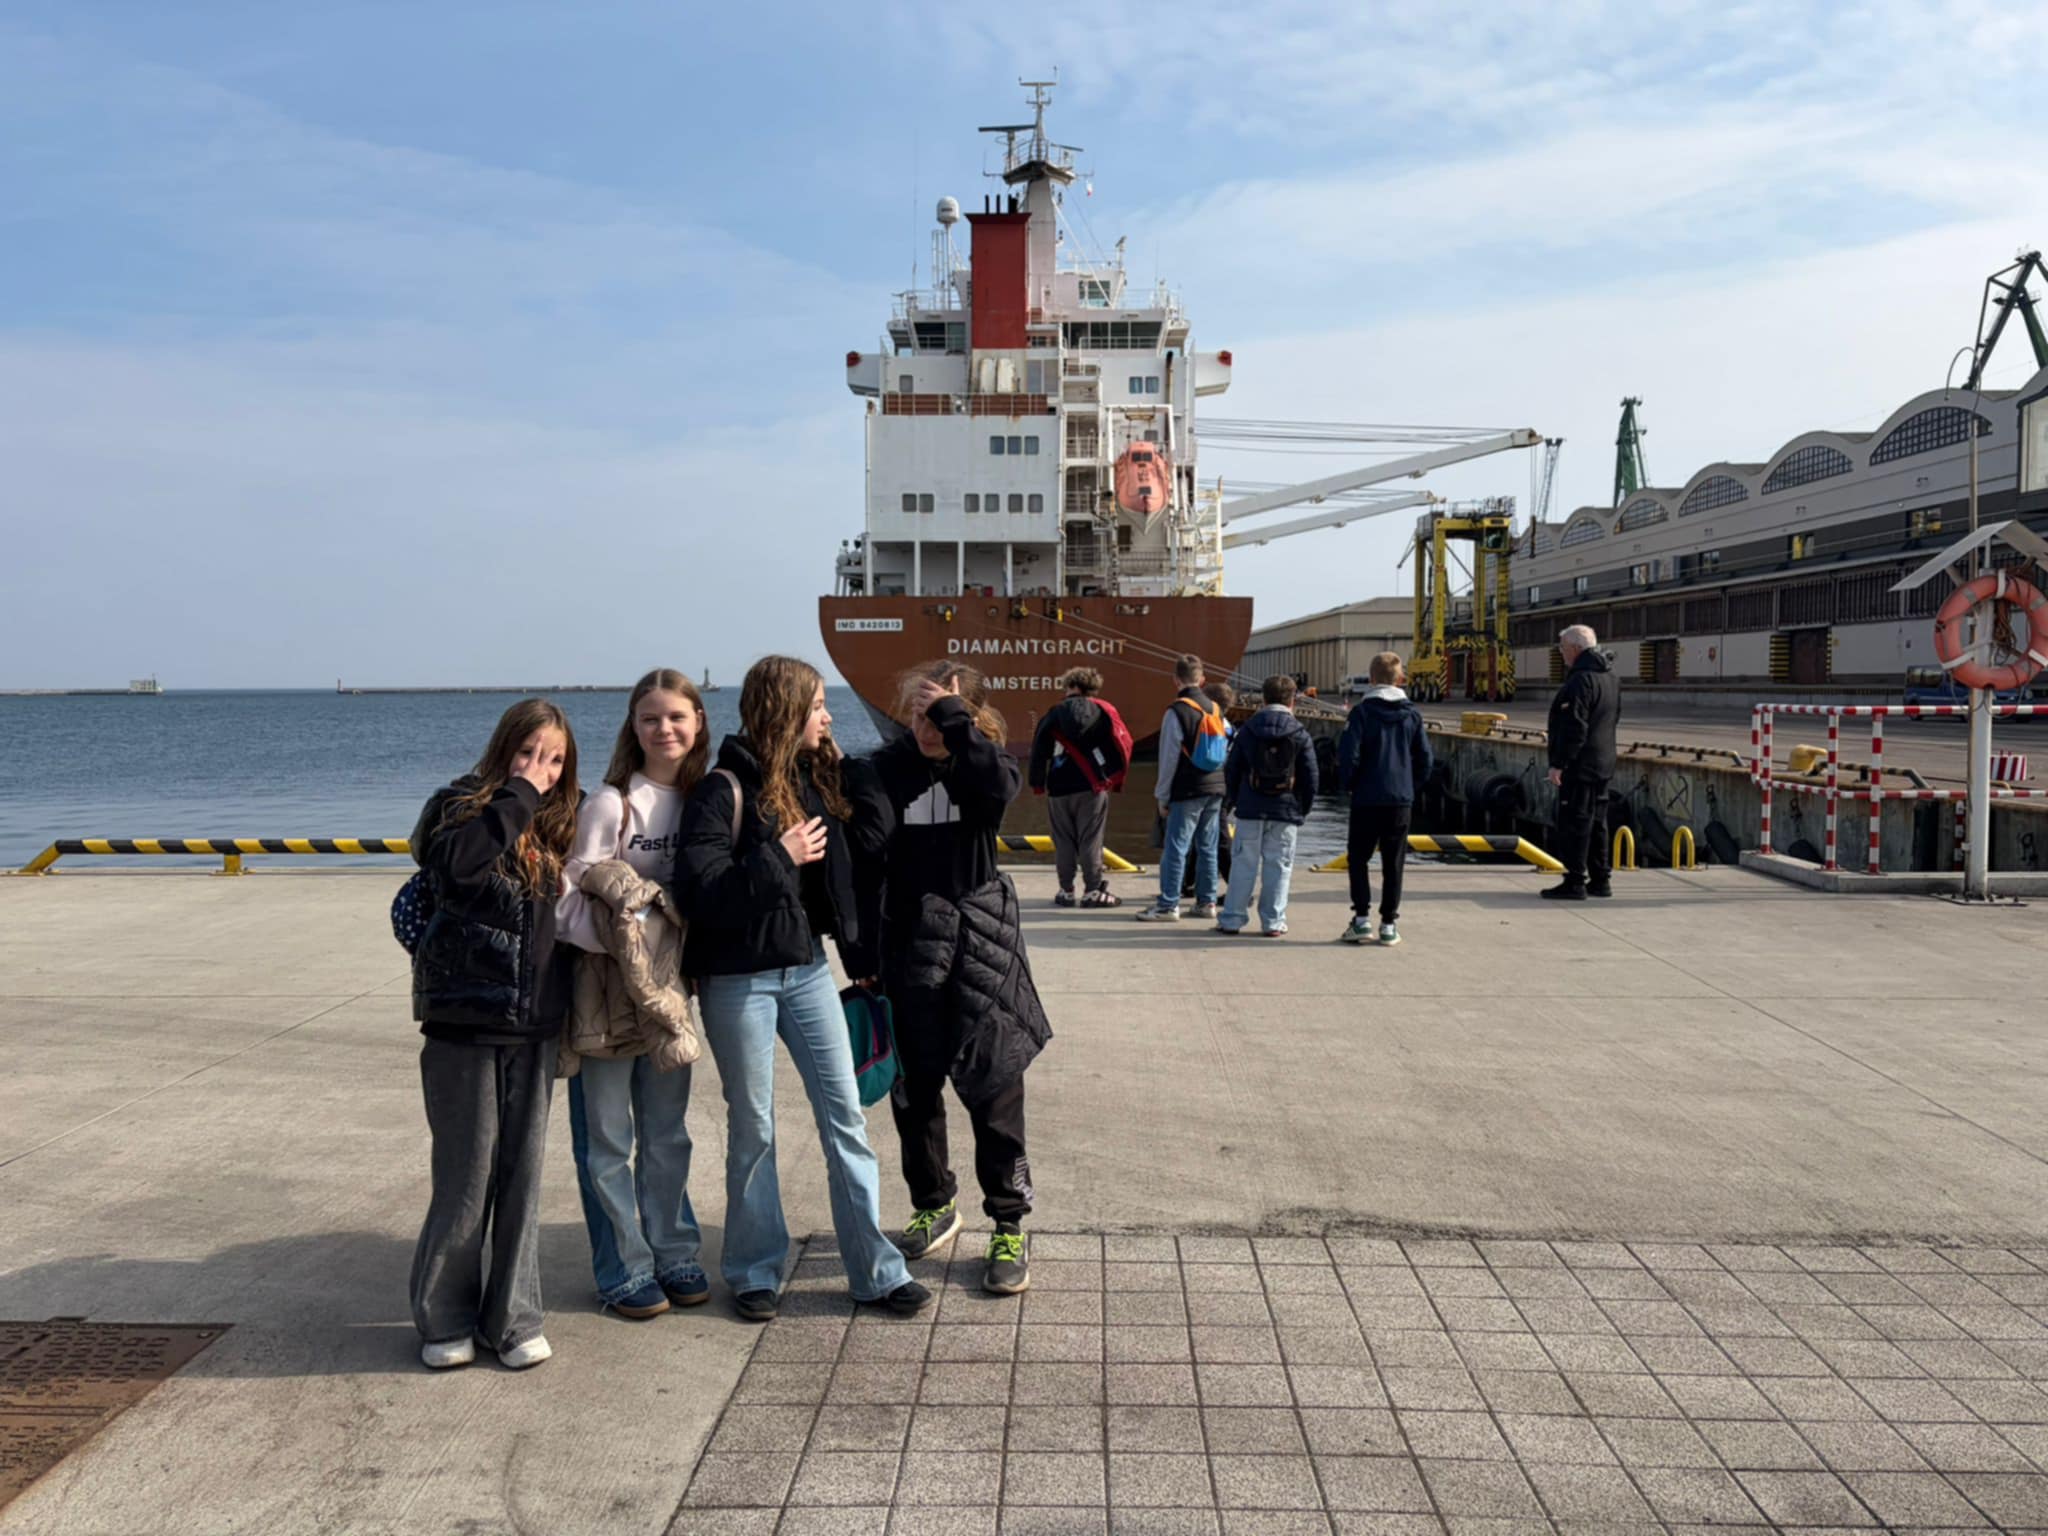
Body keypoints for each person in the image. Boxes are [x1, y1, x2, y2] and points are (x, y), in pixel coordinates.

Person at [675, 657, 929, 1320]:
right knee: (753, 1128)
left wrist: (847, 768)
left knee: (846, 1117)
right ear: (785, 709)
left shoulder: (813, 780)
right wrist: (777, 856)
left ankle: (876, 1270)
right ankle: (754, 1270)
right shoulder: (721, 790)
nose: (828, 716)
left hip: (809, 970)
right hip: (738, 982)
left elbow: (866, 847)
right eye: (817, 705)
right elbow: (701, 893)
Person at [407, 698, 579, 1372]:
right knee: (466, 1180)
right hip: (464, 1021)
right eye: (529, 752)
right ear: (504, 749)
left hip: (536, 1026)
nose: (541, 768)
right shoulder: (457, 807)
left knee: (521, 1179)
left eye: (555, 759)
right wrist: (517, 796)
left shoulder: (562, 823)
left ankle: (512, 1319)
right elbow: (457, 869)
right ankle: (445, 1318)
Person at [870, 662, 1052, 1295]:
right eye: (918, 715)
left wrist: (956, 725)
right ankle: (934, 1203)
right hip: (910, 948)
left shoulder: (984, 766)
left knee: (995, 1086)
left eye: (941, 715)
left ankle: (1008, 1222)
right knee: (914, 1091)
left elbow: (999, 790)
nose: (928, 728)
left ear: (969, 718)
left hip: (982, 950)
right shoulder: (886, 768)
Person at [556, 669, 710, 1321]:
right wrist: (629, 946)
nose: (663, 728)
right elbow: (565, 904)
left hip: (670, 996)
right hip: (604, 994)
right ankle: (623, 1268)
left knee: (668, 1133)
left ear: (698, 721)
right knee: (609, 1139)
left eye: (676, 716)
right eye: (650, 718)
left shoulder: (706, 799)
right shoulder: (612, 803)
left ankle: (674, 1251)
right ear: (633, 727)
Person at [1336, 652, 1434, 945]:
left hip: (1366, 797)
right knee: (1394, 862)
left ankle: (1361, 919)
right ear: (1400, 679)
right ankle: (1389, 923)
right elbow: (1425, 759)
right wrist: (1409, 786)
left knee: (1358, 858)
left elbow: (1348, 755)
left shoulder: (1361, 713)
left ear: (1371, 678)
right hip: (1399, 799)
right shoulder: (1412, 715)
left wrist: (1350, 785)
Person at [1215, 676, 1317, 936]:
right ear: (1292, 700)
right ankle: (1273, 921)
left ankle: (1232, 919)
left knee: (1243, 864)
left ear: (1263, 698)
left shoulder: (1248, 730)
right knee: (1279, 866)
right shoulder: (1299, 732)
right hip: (1285, 810)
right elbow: (1310, 776)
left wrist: (1235, 801)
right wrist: (1302, 809)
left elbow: (1232, 770)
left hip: (1250, 808)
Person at [1026, 666, 1130, 908]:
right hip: (1091, 784)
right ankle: (1093, 890)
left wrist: (1037, 783)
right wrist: (1112, 775)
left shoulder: (1054, 714)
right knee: (1090, 838)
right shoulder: (1103, 712)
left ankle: (1066, 891)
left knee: (1063, 839)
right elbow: (1118, 742)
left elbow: (1039, 750)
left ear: (1070, 686)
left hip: (1058, 785)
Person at [1137, 655, 1227, 922]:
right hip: (1216, 786)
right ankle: (1207, 903)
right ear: (1202, 679)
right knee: (1208, 846)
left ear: (1175, 680)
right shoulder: (1215, 709)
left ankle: (1168, 905)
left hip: (1187, 789)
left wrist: (1162, 796)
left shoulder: (1176, 711)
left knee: (1176, 847)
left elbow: (1168, 758)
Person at [1544, 624, 1621, 901]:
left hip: (1580, 766)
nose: (1561, 653)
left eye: (1563, 648)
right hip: (1603, 762)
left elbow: (1575, 727)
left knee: (1575, 822)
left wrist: (1559, 763)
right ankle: (1601, 880)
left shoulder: (1580, 680)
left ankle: (1574, 881)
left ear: (1576, 648)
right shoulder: (1610, 677)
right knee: (1598, 822)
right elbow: (1613, 718)